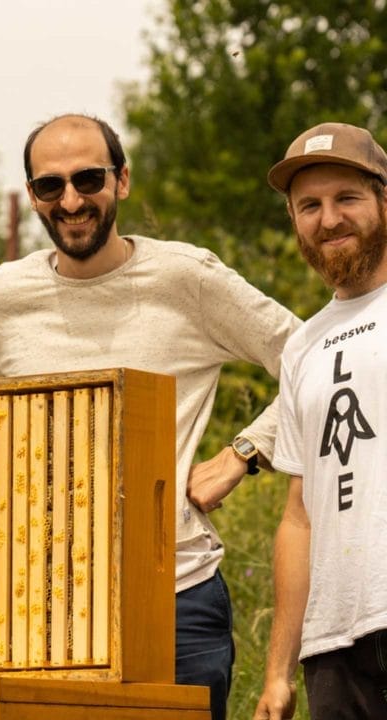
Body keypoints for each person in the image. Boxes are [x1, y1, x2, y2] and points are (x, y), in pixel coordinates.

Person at [0, 113, 301, 720]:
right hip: (33, 610)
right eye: (51, 186)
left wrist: (244, 452)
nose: (71, 201)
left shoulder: (185, 276)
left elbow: (316, 361)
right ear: (32, 198)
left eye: (89, 179)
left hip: (175, 598)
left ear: (122, 180)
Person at [253, 122, 387, 720]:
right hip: (333, 645)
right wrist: (278, 674)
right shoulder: (302, 347)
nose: (328, 218)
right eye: (309, 205)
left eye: (347, 198)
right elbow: (299, 516)